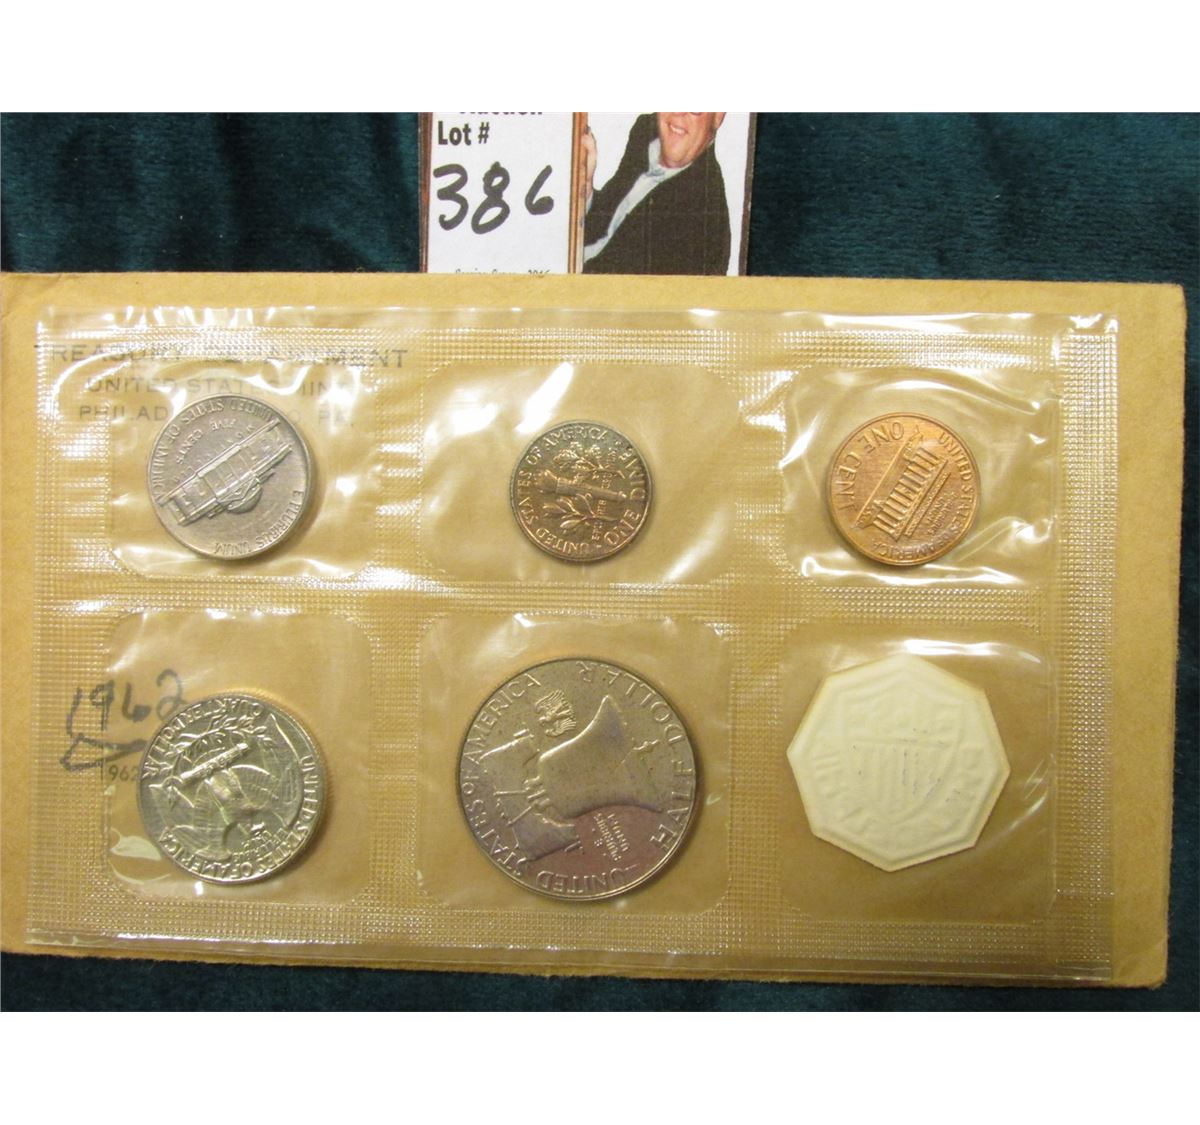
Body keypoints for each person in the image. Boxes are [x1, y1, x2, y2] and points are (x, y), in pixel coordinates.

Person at [581, 113, 730, 275]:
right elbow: (610, 228)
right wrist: (585, 188)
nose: (679, 111)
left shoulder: (703, 229)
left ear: (718, 116)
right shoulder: (648, 132)